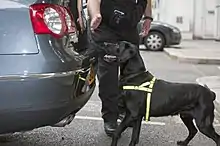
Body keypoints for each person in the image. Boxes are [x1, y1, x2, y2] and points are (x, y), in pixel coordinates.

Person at [87, 0, 153, 137]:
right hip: (105, 26)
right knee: (108, 77)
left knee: (134, 73)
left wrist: (148, 17)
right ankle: (110, 117)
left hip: (129, 25)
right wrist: (95, 15)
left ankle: (125, 110)